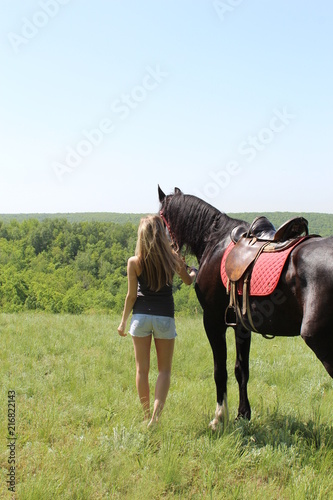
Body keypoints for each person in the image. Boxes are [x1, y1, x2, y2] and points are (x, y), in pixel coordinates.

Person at [117, 214, 197, 427]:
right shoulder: (172, 257)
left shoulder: (134, 262)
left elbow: (131, 296)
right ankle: (155, 417)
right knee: (164, 370)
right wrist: (194, 272)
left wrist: (123, 322)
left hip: (140, 318)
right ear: (162, 234)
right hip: (164, 318)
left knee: (141, 370)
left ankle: (145, 416)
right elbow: (188, 281)